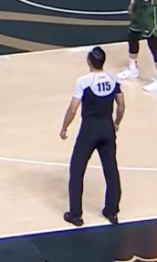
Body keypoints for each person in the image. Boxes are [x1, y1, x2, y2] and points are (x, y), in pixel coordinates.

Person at [59, 46, 123, 227]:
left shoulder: (84, 82)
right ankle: (112, 211)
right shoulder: (113, 78)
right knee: (111, 170)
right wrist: (117, 122)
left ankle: (75, 214)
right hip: (107, 129)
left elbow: (73, 108)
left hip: (89, 131)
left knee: (77, 170)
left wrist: (64, 127)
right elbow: (121, 105)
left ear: (89, 62)